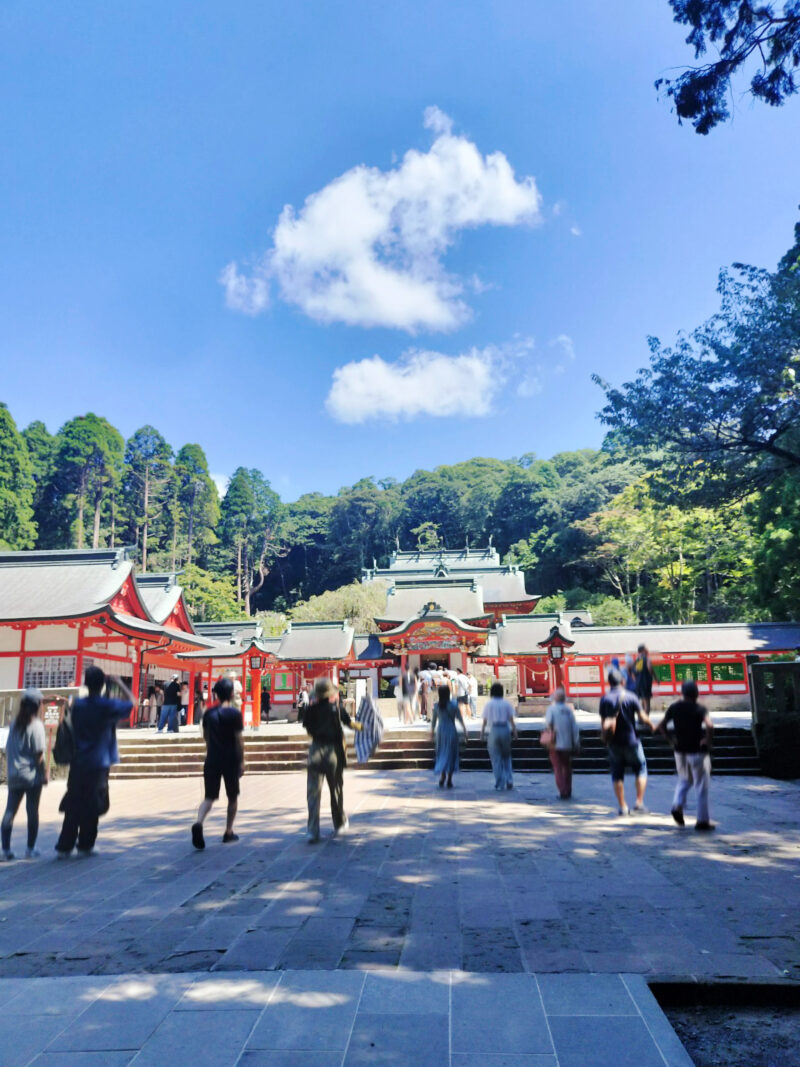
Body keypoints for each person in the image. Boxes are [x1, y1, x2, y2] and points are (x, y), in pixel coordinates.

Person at [55, 668, 134, 857]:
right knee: (93, 803)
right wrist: (120, 683)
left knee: (74, 801)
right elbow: (132, 703)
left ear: (86, 684)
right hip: (99, 761)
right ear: (102, 685)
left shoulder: (78, 705)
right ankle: (85, 844)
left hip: (79, 759)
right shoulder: (107, 706)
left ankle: (64, 846)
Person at [301, 677, 363, 843]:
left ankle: (313, 831)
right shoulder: (336, 708)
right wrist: (362, 726)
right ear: (331, 694)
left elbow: (308, 729)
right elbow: (349, 724)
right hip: (333, 752)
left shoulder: (310, 709)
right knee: (336, 790)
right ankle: (339, 824)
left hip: (315, 751)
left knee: (313, 794)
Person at [191, 677, 244, 849]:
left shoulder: (208, 714)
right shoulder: (235, 714)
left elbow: (205, 736)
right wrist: (242, 761)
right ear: (231, 694)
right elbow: (238, 739)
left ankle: (199, 822)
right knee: (232, 796)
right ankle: (228, 831)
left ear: (216, 694)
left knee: (209, 797)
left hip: (212, 757)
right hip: (230, 758)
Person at [656, 680, 715, 832]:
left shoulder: (674, 707)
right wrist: (707, 741)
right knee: (701, 786)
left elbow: (661, 726)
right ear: (696, 693)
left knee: (684, 779)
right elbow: (709, 725)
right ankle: (702, 821)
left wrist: (671, 740)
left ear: (682, 693)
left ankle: (677, 805)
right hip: (697, 751)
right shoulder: (700, 708)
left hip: (679, 750)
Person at [2, 689, 50, 860]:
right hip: (31, 776)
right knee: (32, 811)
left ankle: (5, 849)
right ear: (37, 705)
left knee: (10, 811)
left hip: (14, 774)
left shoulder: (14, 724)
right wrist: (44, 773)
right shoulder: (36, 725)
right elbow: (38, 754)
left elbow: (8, 748)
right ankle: (30, 848)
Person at [599, 667, 654, 816]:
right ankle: (639, 803)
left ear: (609, 683)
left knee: (617, 773)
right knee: (641, 768)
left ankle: (623, 807)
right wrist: (652, 726)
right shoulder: (631, 697)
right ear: (623, 681)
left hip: (614, 742)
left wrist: (605, 737)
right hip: (632, 740)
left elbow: (603, 722)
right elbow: (643, 718)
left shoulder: (604, 699)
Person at [543, 686, 581, 799]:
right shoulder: (569, 710)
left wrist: (549, 736)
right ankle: (568, 789)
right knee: (567, 767)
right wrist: (576, 741)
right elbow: (575, 728)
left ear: (554, 698)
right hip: (567, 743)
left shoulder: (552, 709)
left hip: (555, 743)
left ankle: (562, 791)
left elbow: (548, 724)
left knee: (557, 768)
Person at [480, 681, 517, 790]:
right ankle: (509, 779)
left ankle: (499, 782)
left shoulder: (489, 704)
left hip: (494, 730)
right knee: (506, 757)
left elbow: (485, 721)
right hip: (505, 729)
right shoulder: (506, 703)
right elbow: (511, 720)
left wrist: (481, 734)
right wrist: (515, 732)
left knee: (496, 758)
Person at [431, 684, 466, 789]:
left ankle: (442, 776)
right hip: (451, 730)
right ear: (448, 693)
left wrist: (431, 733)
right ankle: (449, 779)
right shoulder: (454, 705)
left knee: (441, 752)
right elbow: (460, 719)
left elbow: (433, 722)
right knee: (451, 753)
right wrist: (465, 730)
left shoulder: (437, 706)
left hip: (441, 731)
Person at [634, 644, 654, 715]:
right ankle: (646, 720)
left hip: (639, 684)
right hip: (646, 683)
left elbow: (635, 673)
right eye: (646, 649)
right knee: (647, 702)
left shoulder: (637, 660)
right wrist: (655, 677)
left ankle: (641, 720)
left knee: (642, 701)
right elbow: (650, 669)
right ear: (643, 650)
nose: (648, 650)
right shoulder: (646, 659)